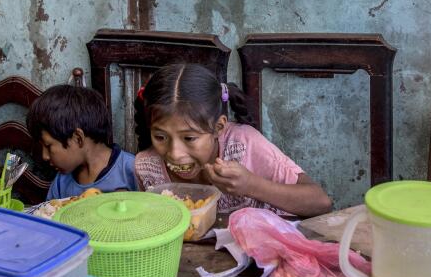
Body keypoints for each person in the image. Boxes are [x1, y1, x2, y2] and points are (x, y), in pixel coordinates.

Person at [132, 62, 332, 217]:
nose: (174, 153)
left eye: (189, 138)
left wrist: (252, 185)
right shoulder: (147, 168)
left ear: (218, 127)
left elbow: (320, 202)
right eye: (160, 137)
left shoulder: (243, 146)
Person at [26, 84, 137, 199]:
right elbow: (49, 213)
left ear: (78, 138)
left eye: (48, 146)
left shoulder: (131, 170)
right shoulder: (62, 181)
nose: (45, 156)